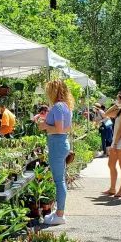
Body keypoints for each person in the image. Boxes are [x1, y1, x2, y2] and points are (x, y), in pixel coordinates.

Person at [39, 79, 74, 225]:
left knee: (59, 181)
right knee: (60, 180)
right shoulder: (66, 106)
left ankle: (60, 214)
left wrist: (44, 126)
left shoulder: (58, 106)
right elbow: (67, 128)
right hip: (60, 143)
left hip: (57, 144)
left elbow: (58, 129)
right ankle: (59, 212)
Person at [102, 93, 121, 197]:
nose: (116, 101)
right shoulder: (119, 111)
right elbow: (106, 113)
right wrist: (115, 105)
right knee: (111, 164)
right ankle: (112, 188)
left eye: (118, 100)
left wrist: (116, 143)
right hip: (115, 142)